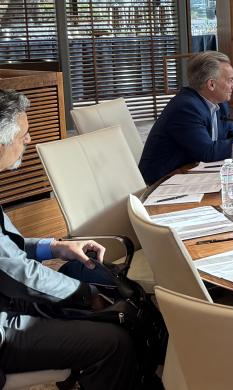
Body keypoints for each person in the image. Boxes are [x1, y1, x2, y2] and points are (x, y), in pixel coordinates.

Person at [0, 90, 137, 388]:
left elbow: (6, 252)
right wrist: (88, 295)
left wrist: (56, 246)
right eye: (23, 133)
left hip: (10, 298)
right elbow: (18, 274)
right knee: (114, 340)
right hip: (4, 323)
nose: (28, 139)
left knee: (98, 308)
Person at [139, 51, 233, 184]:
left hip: (192, 172)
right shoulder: (186, 107)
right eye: (230, 80)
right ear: (211, 84)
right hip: (163, 181)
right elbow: (207, 151)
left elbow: (231, 133)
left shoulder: (219, 104)